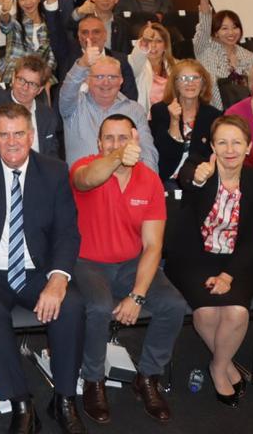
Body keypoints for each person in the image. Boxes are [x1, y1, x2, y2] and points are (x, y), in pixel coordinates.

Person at [0, 103, 87, 434]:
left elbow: (68, 231)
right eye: (3, 134)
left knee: (72, 305)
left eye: (18, 134)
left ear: (31, 135)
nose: (11, 142)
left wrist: (57, 280)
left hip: (33, 270)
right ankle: (21, 401)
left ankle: (64, 398)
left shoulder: (53, 171)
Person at [68, 115, 185, 423]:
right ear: (98, 143)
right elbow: (87, 180)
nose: (115, 144)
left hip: (131, 264)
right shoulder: (84, 165)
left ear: (135, 139)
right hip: (87, 262)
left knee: (173, 305)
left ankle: (147, 377)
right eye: (109, 138)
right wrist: (118, 156)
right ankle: (94, 379)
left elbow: (153, 246)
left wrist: (137, 296)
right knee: (99, 306)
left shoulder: (148, 179)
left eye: (123, 138)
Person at [168, 115, 253, 407]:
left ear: (249, 147)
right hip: (192, 258)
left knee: (236, 313)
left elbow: (251, 239)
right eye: (222, 142)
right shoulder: (201, 169)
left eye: (237, 142)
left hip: (235, 261)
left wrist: (228, 276)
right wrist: (198, 178)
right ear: (213, 146)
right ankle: (227, 365)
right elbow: (188, 178)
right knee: (208, 314)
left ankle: (219, 366)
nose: (230, 149)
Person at [61, 52, 157, 170]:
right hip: (82, 185)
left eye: (112, 77)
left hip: (124, 186)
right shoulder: (73, 105)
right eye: (99, 77)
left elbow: (148, 152)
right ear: (87, 79)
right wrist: (82, 64)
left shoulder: (135, 110)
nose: (106, 82)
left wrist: (147, 183)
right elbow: (68, 89)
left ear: (121, 80)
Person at [150, 59, 220, 187]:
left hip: (197, 181)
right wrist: (174, 122)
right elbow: (164, 154)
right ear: (175, 84)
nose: (190, 83)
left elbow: (208, 156)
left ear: (203, 83)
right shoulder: (160, 111)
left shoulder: (213, 116)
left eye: (195, 78)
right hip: (165, 179)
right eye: (183, 78)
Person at [0, 55, 62, 158]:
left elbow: (52, 155)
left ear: (40, 90)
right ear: (13, 78)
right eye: (21, 80)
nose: (25, 88)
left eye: (32, 84)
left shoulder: (48, 115)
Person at [195, 0, 253, 110]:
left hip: (241, 113)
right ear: (215, 32)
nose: (231, 33)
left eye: (235, 27)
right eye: (224, 28)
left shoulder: (248, 56)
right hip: (212, 111)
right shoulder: (205, 49)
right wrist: (204, 0)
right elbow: (204, 29)